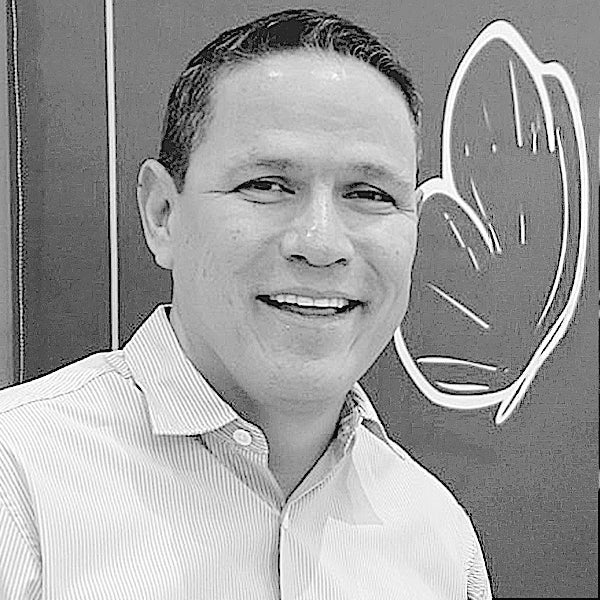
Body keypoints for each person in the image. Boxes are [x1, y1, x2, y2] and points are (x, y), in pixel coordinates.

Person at [0, 8, 492, 599]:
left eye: (369, 193)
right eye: (266, 185)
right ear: (163, 214)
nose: (320, 244)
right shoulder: (19, 483)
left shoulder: (436, 535)